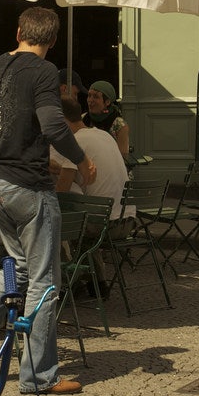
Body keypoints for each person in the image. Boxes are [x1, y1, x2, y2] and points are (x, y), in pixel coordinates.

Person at [0, 6, 96, 396]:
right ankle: (39, 376)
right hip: (30, 187)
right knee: (44, 282)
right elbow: (53, 124)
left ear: (19, 31)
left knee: (18, 270)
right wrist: (81, 158)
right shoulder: (44, 72)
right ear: (53, 40)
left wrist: (1, 150)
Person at [51, 95, 135, 295]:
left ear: (62, 120)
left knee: (57, 221)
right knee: (83, 214)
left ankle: (69, 283)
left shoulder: (75, 141)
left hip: (104, 224)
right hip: (127, 220)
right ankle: (97, 284)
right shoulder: (103, 135)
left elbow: (61, 190)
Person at [85, 80, 131, 163]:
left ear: (107, 102)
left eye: (95, 97)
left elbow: (123, 159)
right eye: (89, 95)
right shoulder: (83, 118)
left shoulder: (119, 125)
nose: (90, 100)